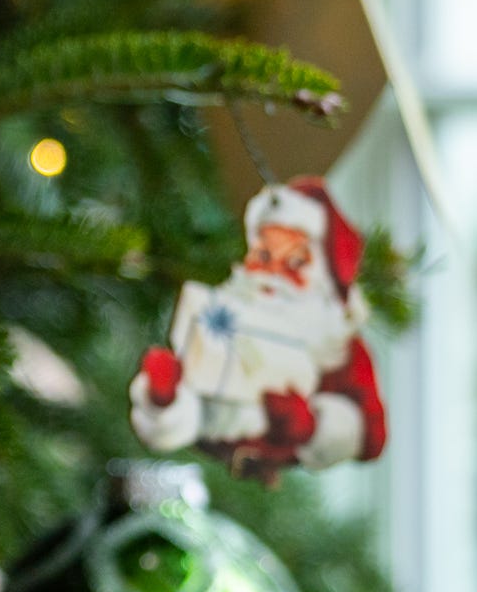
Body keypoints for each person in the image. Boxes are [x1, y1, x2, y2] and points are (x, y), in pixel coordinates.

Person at [129, 177, 387, 478]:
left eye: (293, 263)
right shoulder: (219, 320)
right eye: (263, 257)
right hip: (199, 474)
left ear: (324, 276)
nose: (273, 275)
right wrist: (164, 401)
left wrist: (311, 426)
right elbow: (196, 408)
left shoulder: (339, 349)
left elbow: (371, 437)